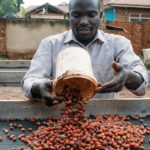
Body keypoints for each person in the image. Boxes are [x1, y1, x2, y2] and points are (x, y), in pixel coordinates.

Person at [22, 0, 148, 106]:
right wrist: (38, 87)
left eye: (91, 15)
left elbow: (141, 85)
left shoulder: (118, 44)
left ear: (100, 15)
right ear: (69, 16)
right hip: (62, 116)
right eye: (76, 15)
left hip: (106, 118)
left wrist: (129, 77)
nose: (84, 21)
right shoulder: (50, 44)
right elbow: (30, 80)